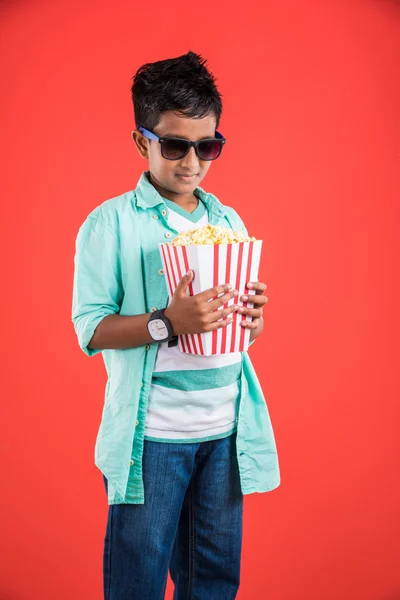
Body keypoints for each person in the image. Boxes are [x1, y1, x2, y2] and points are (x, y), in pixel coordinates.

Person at [72, 50, 280, 600]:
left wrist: (250, 318)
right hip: (154, 436)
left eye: (206, 146)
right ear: (142, 141)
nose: (191, 162)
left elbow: (239, 333)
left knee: (213, 579)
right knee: (137, 580)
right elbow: (90, 329)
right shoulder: (110, 224)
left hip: (225, 433)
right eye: (174, 145)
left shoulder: (226, 221)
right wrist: (167, 321)